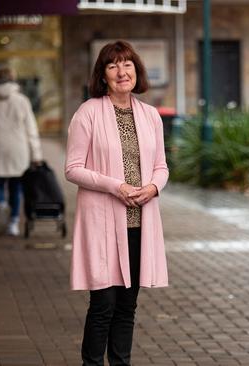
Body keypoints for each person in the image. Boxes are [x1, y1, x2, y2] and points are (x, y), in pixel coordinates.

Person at [65, 40, 169, 366]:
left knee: (127, 306)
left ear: (137, 70)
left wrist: (153, 187)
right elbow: (73, 169)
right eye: (113, 66)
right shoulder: (88, 113)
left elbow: (161, 167)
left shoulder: (150, 115)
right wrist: (115, 186)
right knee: (103, 305)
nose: (122, 71)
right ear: (103, 75)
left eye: (127, 64)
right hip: (102, 224)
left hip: (139, 224)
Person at [0, 67, 42, 236]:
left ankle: (1, 204)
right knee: (16, 187)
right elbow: (31, 129)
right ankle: (13, 223)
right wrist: (36, 154)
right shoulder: (22, 100)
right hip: (19, 149)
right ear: (14, 79)